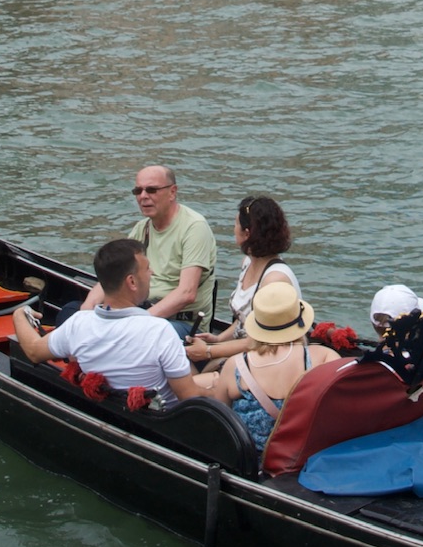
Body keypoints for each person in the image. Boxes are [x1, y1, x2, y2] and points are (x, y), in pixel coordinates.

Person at [11, 239, 206, 401]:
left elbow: (34, 351)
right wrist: (218, 389)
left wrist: (20, 314)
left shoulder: (78, 324)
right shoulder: (160, 331)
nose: (151, 273)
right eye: (147, 268)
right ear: (131, 282)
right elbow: (190, 397)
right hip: (162, 425)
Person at [205, 279, 344, 447]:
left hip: (249, 466)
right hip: (301, 463)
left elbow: (220, 423)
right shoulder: (324, 358)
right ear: (300, 320)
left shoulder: (235, 366)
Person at [186, 195, 294, 370]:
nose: (233, 228)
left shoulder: (275, 280)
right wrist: (218, 339)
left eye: (236, 224)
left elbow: (262, 341)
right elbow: (245, 319)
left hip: (264, 359)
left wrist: (209, 351)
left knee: (191, 385)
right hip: (242, 350)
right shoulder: (247, 263)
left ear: (247, 233)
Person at [117, 165, 215, 320]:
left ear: (172, 192)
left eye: (151, 190)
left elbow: (187, 293)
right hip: (145, 311)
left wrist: (140, 321)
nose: (143, 196)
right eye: (138, 191)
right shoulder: (141, 229)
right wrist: (88, 308)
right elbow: (115, 275)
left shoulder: (194, 227)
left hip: (180, 322)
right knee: (72, 309)